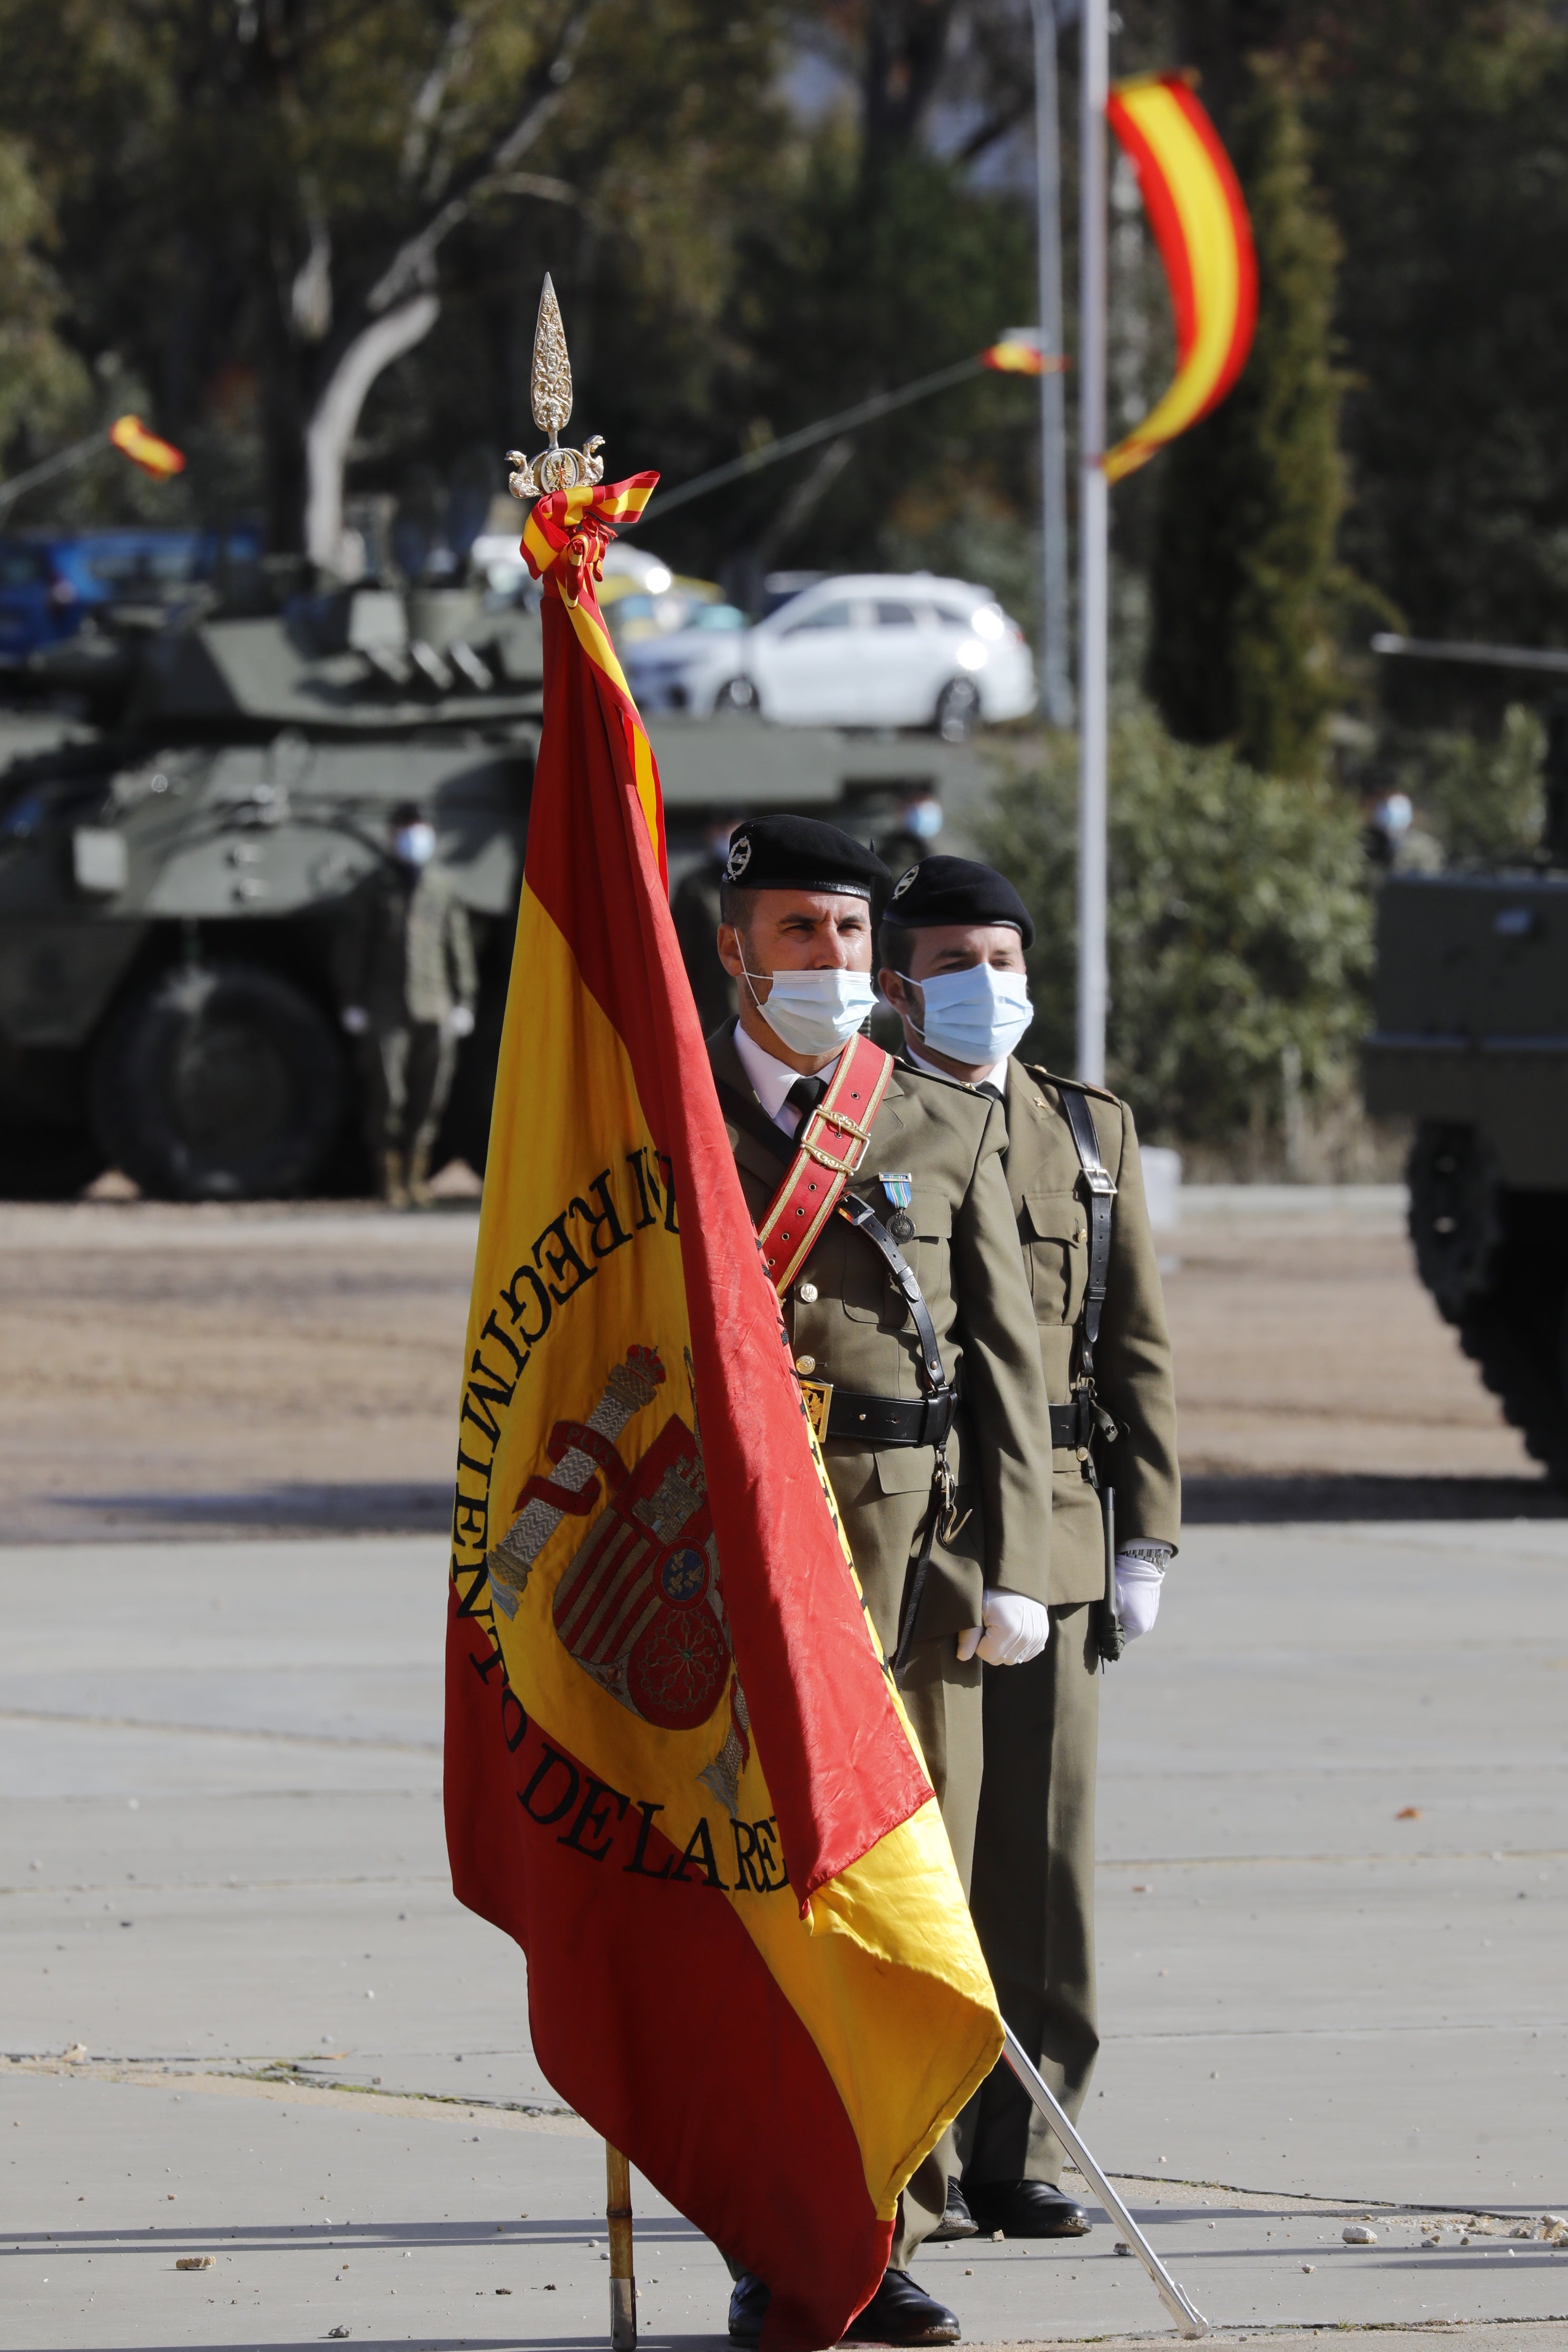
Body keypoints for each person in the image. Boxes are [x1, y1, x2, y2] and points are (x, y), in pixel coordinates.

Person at [710, 815, 1056, 2347]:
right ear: (735, 950)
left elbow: (1005, 1368)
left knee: (905, 1906)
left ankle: (889, 2230)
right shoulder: (666, 1120)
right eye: (798, 934)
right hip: (737, 1577)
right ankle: (781, 2239)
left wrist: (1010, 1566)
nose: (832, 965)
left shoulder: (927, 1118)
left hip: (911, 1570)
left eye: (850, 936)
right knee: (768, 1922)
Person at [876, 854, 1180, 2242]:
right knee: (924, 1858)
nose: (983, 988)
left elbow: (1137, 1351)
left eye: (1001, 961)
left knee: (1041, 1859)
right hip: (921, 1542)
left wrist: (1148, 1537)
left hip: (1056, 1527)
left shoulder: (1085, 1131)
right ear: (897, 983)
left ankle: (1028, 2145)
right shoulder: (863, 1122)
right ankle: (916, 2161)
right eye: (952, 963)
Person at [336, 800, 477, 1207]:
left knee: (429, 1096)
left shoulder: (442, 887)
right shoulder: (374, 888)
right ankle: (389, 1180)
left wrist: (464, 1000)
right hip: (386, 1008)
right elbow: (353, 949)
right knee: (389, 1095)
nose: (413, 838)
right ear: (391, 835)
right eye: (405, 829)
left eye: (419, 829)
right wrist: (353, 1000)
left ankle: (417, 1178)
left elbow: (458, 948)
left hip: (435, 1005)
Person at [671, 815, 744, 1034]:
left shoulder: (760, 885)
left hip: (756, 1003)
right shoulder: (695, 885)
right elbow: (682, 950)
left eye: (733, 829)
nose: (726, 836)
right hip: (712, 1006)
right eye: (720, 829)